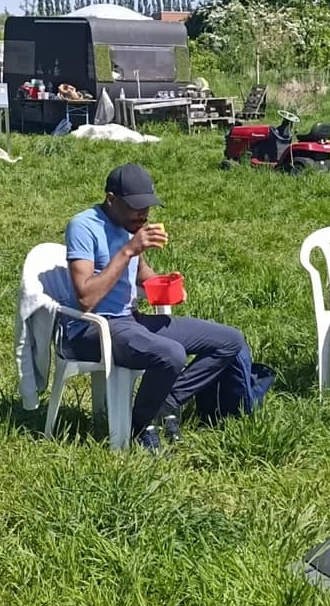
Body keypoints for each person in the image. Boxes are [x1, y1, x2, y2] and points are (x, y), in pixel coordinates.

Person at [63, 164, 254, 451]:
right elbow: (86, 299)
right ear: (111, 199)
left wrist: (167, 285)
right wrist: (128, 250)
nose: (143, 215)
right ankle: (140, 424)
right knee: (171, 354)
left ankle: (168, 400)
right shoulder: (83, 226)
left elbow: (142, 275)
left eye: (147, 207)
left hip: (130, 319)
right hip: (92, 328)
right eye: (135, 207)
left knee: (229, 341)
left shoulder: (131, 226)